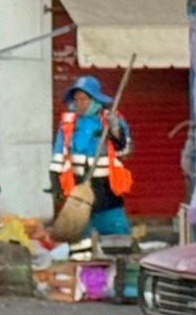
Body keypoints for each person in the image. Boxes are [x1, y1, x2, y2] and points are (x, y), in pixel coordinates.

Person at [50, 75, 134, 236]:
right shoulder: (68, 123)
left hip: (106, 189)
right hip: (77, 189)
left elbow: (125, 151)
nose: (79, 103)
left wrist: (115, 131)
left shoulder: (111, 120)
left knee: (116, 236)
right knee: (80, 238)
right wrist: (55, 181)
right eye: (76, 99)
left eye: (84, 99)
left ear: (95, 100)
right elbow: (58, 154)